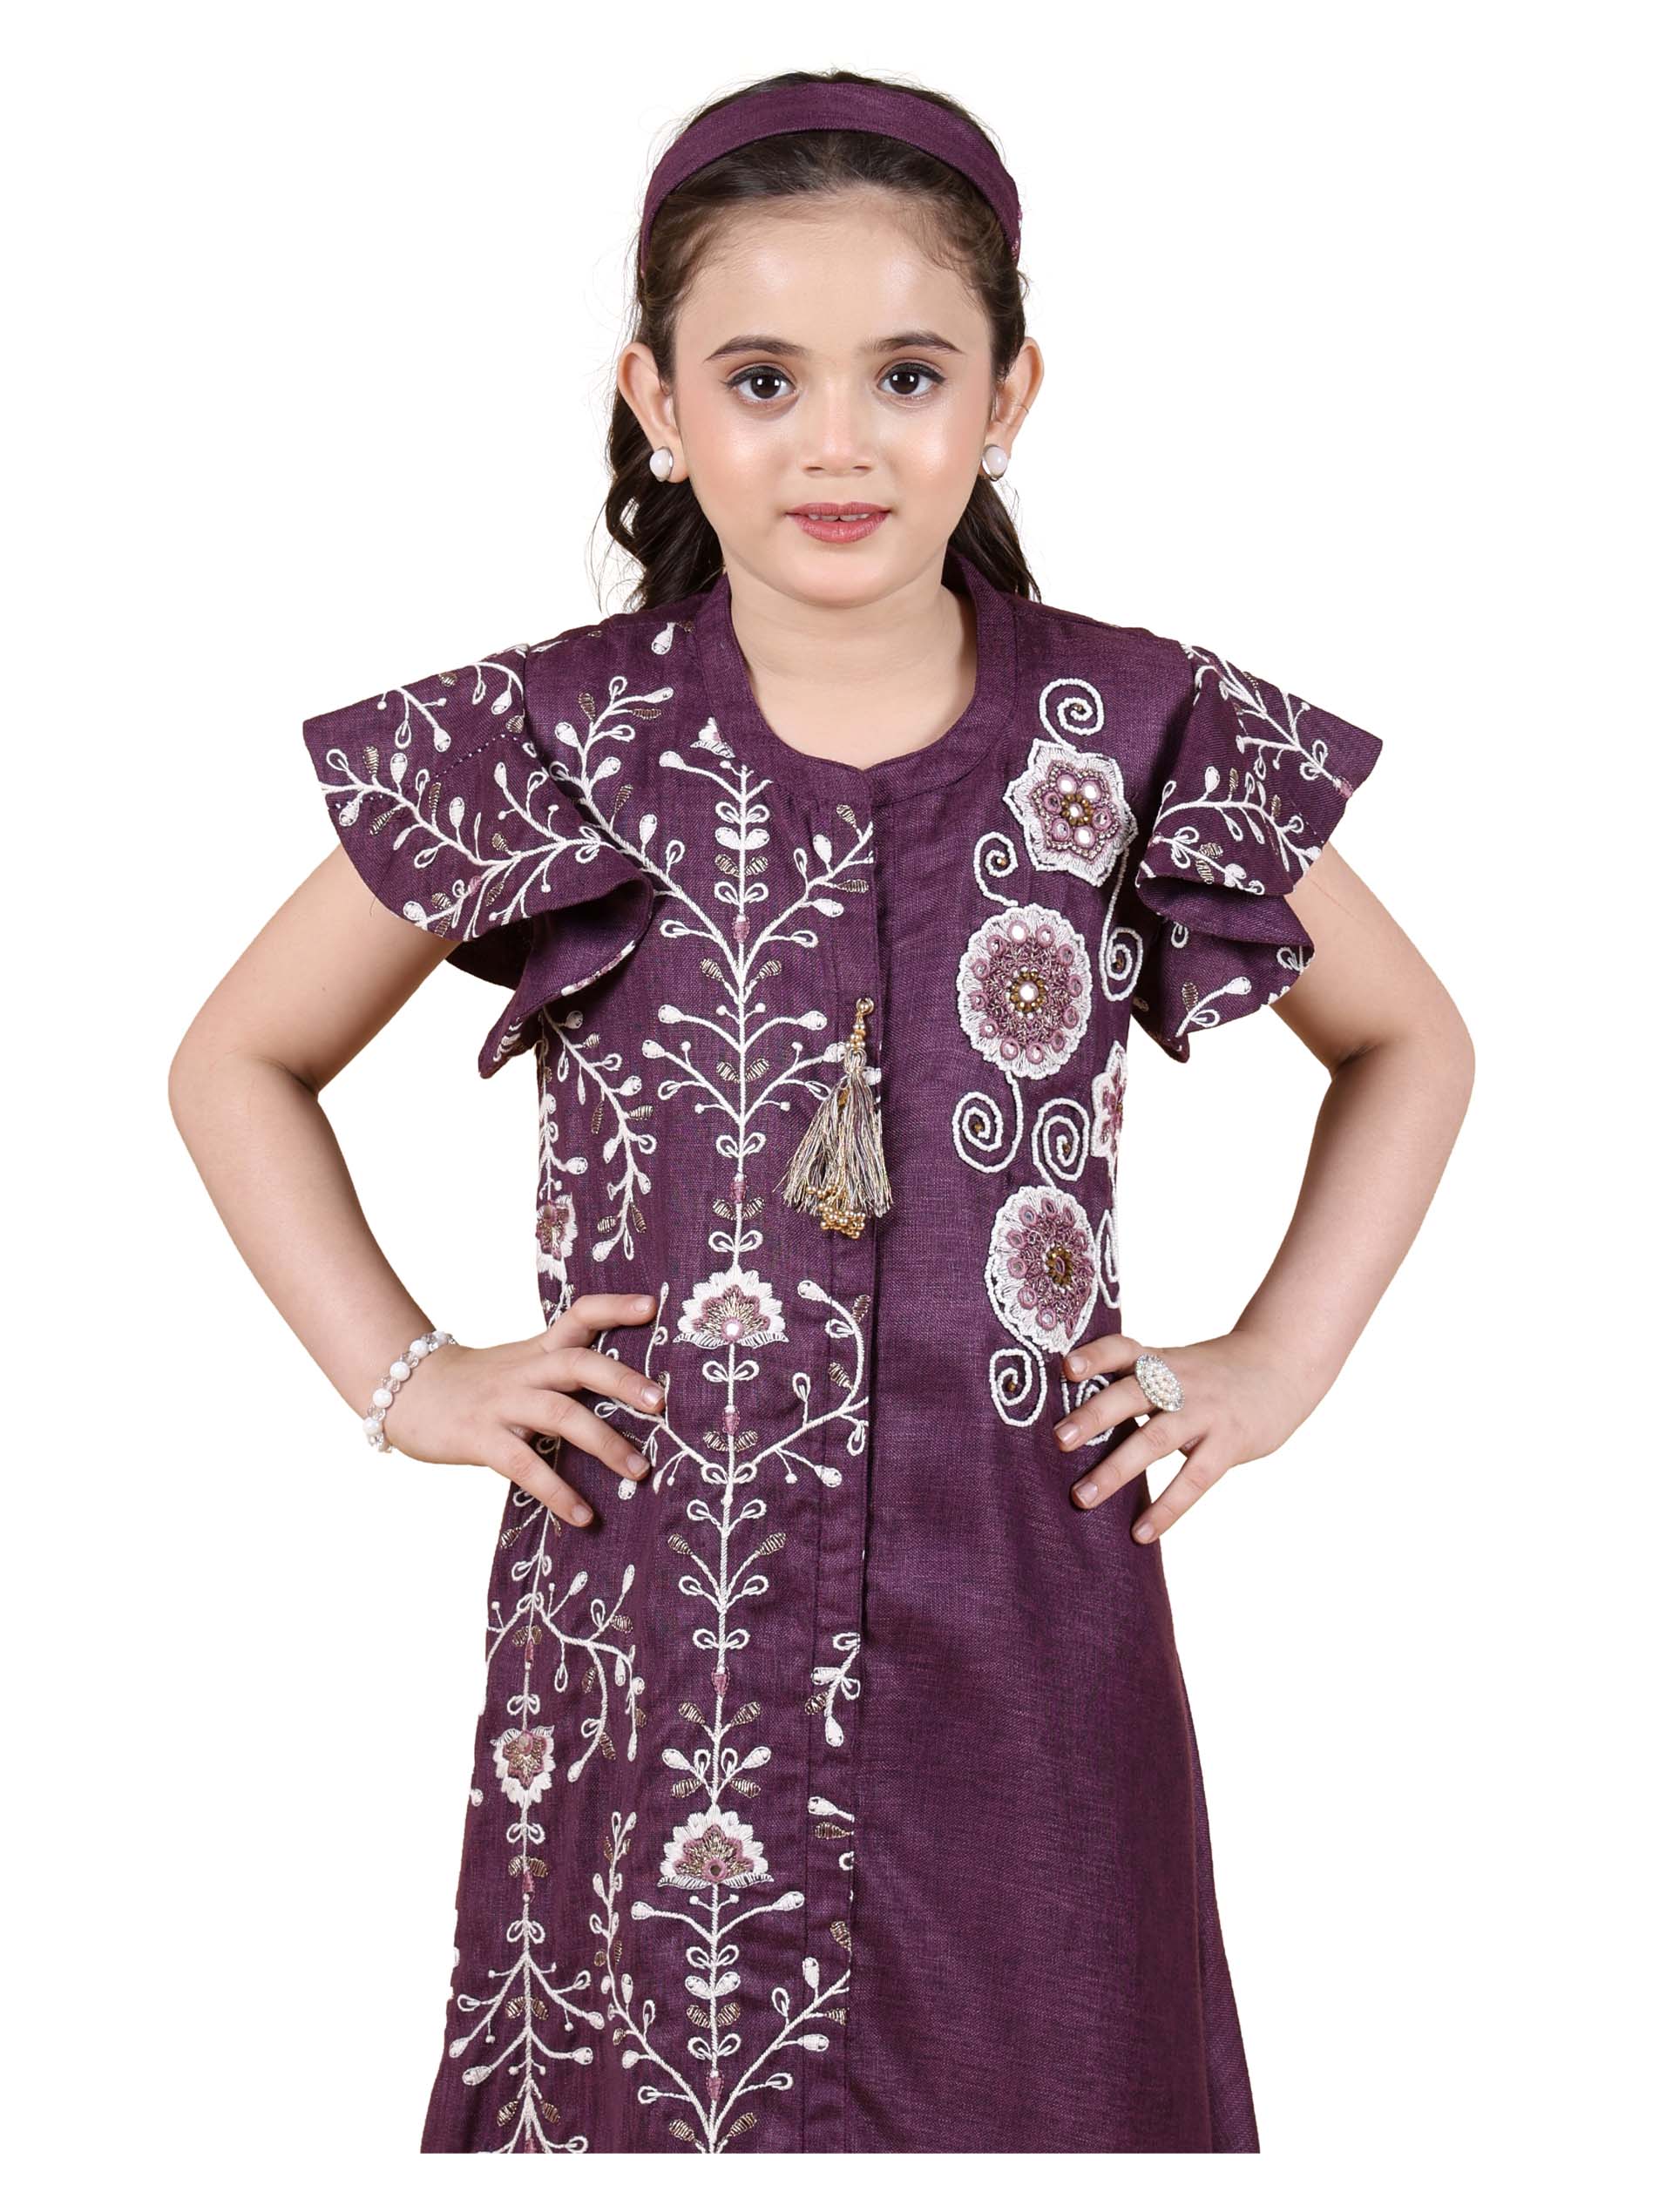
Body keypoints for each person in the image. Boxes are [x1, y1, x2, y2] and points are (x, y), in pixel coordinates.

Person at [168, 66, 1474, 2156]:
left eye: (908, 374)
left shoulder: (1134, 724)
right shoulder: (556, 737)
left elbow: (1410, 1039)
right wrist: (409, 1377)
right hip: (653, 1622)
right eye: (763, 379)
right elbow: (237, 1057)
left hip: (1029, 1608)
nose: (838, 441)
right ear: (657, 403)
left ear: (1010, 394)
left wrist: (1276, 1360)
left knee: (1055, 2084)